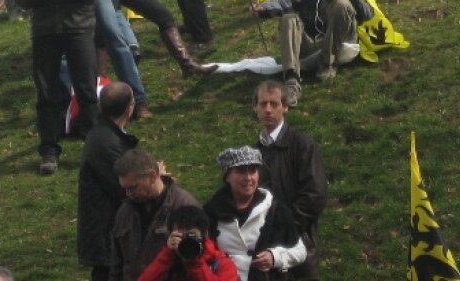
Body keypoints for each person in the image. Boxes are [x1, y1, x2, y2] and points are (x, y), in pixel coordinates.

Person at [13, 0, 107, 175]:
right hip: (45, 29)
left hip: (78, 25)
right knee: (46, 91)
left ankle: (93, 150)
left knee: (87, 88)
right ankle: (49, 150)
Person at [253, 0, 373, 106]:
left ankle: (328, 63)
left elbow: (368, 13)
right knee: (288, 18)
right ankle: (291, 80)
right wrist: (264, 8)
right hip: (311, 42)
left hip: (341, 43)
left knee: (342, 4)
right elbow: (286, 0)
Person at [254, 81, 327, 281]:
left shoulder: (302, 145)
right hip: (263, 246)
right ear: (256, 108)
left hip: (299, 242)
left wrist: (285, 227)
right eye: (262, 104)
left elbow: (315, 195)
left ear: (285, 107)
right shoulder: (253, 154)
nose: (268, 109)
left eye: (274, 103)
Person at [204, 146, 307, 281]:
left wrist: (274, 257)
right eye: (241, 171)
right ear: (227, 176)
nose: (248, 178)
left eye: (253, 171)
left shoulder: (276, 211)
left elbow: (300, 251)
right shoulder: (210, 211)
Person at [110, 150, 201, 281]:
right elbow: (117, 264)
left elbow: (197, 265)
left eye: (133, 188)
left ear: (152, 176)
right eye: (125, 189)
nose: (128, 194)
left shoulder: (185, 208)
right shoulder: (125, 211)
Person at [79, 82, 139, 281]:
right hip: (107, 234)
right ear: (129, 108)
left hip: (106, 233)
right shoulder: (108, 144)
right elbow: (125, 188)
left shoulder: (104, 135)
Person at [136, 206, 238, 281]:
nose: (186, 240)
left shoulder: (222, 264)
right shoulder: (169, 261)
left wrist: (195, 263)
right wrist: (167, 253)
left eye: (191, 235)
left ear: (205, 234)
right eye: (181, 235)